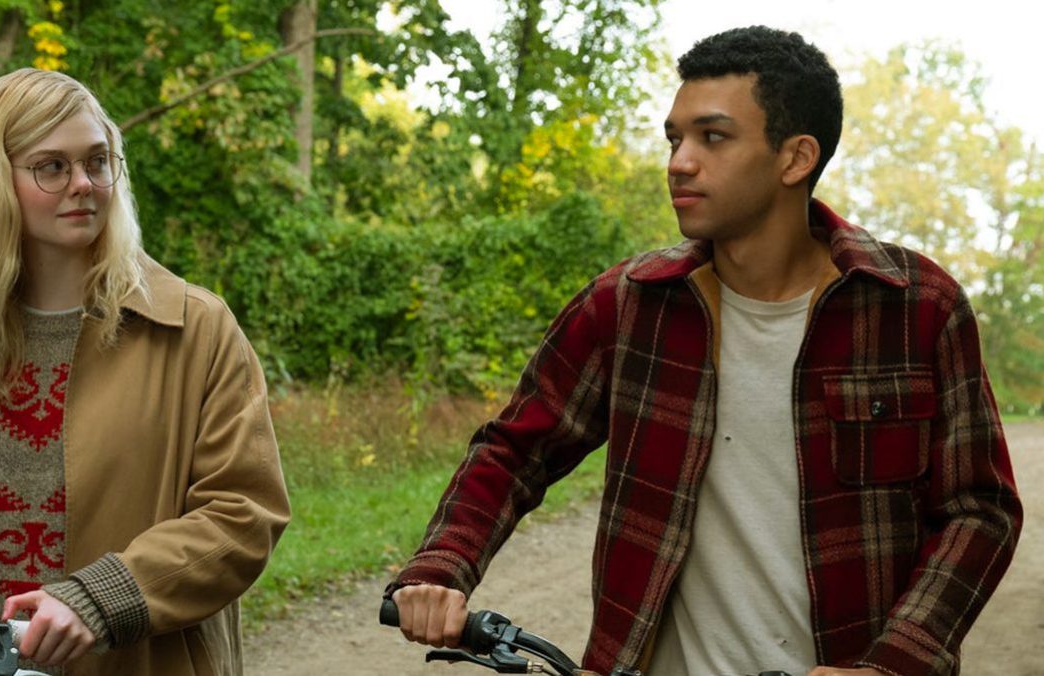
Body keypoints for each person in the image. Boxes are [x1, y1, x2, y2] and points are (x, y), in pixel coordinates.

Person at [386, 26, 1021, 676]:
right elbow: (515, 450)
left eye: (712, 137)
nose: (679, 162)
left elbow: (979, 510)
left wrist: (894, 663)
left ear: (795, 158)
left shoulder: (918, 307)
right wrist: (442, 566)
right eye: (674, 139)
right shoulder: (627, 304)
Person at [0, 68, 290, 675]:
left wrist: (98, 599)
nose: (83, 183)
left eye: (97, 162)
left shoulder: (194, 329)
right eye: (52, 166)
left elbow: (243, 514)